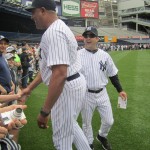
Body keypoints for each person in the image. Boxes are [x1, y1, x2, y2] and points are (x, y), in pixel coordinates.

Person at [24, 0, 91, 150]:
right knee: (71, 125)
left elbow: (60, 74)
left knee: (62, 139)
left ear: (42, 10)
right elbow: (49, 68)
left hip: (66, 86)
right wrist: (30, 88)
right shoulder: (59, 28)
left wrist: (44, 111)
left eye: (33, 12)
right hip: (73, 83)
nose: (31, 16)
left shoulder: (54, 32)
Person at [78, 26, 127, 150]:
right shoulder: (77, 55)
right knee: (86, 123)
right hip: (86, 94)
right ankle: (89, 143)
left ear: (97, 38)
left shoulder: (105, 55)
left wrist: (120, 90)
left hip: (102, 93)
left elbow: (113, 74)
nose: (88, 38)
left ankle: (102, 135)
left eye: (91, 36)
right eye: (86, 36)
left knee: (109, 121)